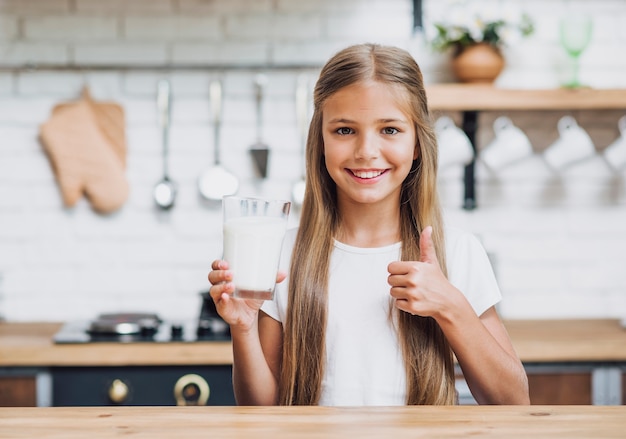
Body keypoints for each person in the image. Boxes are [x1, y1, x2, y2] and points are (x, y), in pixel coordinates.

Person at [208, 43, 530, 406]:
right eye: (345, 130)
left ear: (417, 144)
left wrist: (451, 306)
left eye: (390, 130)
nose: (366, 151)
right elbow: (261, 411)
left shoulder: (456, 251)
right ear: (320, 142)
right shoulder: (281, 253)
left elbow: (513, 403)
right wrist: (243, 328)